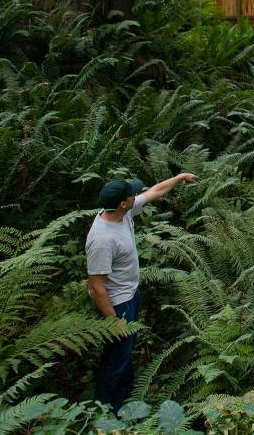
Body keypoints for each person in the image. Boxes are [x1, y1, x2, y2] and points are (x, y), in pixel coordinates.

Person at [86, 173, 197, 412]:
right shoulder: (102, 239)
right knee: (115, 361)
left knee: (124, 354)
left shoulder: (121, 213)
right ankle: (105, 413)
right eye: (131, 194)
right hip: (117, 306)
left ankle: (126, 399)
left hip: (130, 296)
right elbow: (96, 285)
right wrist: (113, 321)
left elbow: (154, 192)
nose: (136, 195)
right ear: (123, 203)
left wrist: (179, 178)